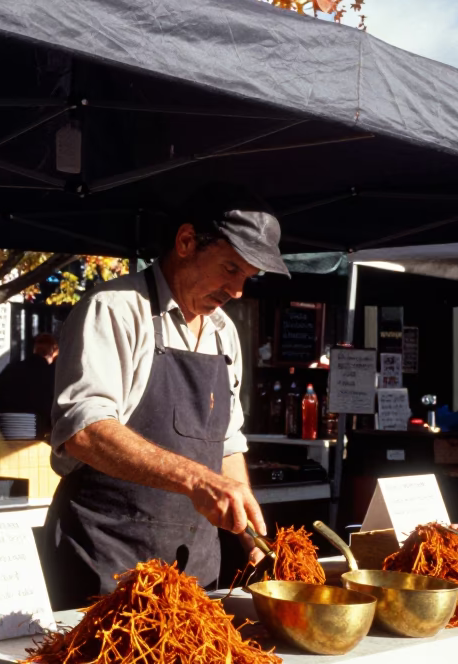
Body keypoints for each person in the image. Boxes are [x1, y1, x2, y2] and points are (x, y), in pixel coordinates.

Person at [43, 184, 289, 609]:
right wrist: (196, 480)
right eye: (230, 268)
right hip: (108, 569)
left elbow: (228, 441)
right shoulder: (116, 309)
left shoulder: (224, 333)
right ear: (186, 242)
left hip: (196, 577)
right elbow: (84, 430)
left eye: (247, 277)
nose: (237, 291)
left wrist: (250, 530)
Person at [0, 333, 59, 440]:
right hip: (39, 435)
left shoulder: (12, 369)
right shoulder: (53, 374)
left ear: (34, 350)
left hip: (6, 433)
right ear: (54, 351)